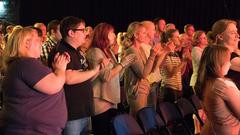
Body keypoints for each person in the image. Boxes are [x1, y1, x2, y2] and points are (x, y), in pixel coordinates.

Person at [1, 26, 70, 134]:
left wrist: (55, 68)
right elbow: (54, 85)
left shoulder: (20, 64)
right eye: (38, 40)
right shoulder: (25, 63)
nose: (42, 42)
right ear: (27, 43)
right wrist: (60, 69)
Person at [48, 16, 100, 135]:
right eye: (82, 30)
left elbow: (85, 77)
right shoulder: (61, 51)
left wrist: (98, 69)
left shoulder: (76, 50)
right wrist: (93, 71)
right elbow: (69, 78)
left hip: (83, 110)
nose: (85, 34)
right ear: (71, 33)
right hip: (71, 112)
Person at [86, 22, 135, 135]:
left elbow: (118, 75)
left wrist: (126, 63)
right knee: (102, 131)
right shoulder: (95, 51)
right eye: (112, 33)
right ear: (104, 35)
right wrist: (122, 64)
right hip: (101, 101)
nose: (114, 35)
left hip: (111, 99)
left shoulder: (108, 51)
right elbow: (106, 77)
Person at [195, 45, 240, 135]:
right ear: (218, 63)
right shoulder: (223, 86)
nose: (230, 64)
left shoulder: (205, 82)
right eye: (228, 61)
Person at [208, 19, 240, 89]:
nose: (237, 36)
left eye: (237, 32)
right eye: (232, 33)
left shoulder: (232, 54)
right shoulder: (225, 57)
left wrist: (236, 48)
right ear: (220, 37)